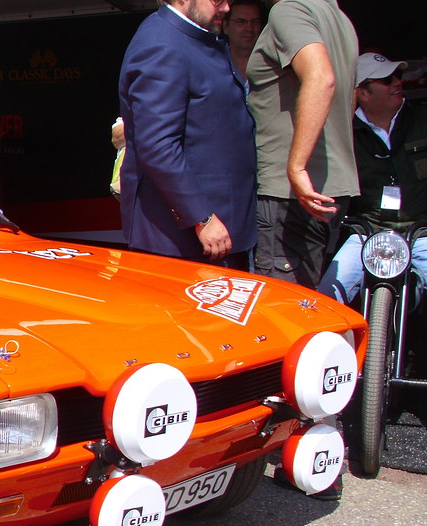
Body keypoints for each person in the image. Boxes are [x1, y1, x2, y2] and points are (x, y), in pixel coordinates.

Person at [118, 0, 256, 269]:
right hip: (183, 242)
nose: (226, 8)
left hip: (219, 233)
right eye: (217, 0)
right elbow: (157, 146)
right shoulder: (161, 44)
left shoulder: (191, 38)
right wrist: (201, 217)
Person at [247, 0, 359, 292]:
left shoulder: (289, 9)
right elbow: (349, 98)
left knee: (281, 306)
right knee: (307, 301)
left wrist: (296, 167)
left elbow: (321, 79)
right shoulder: (338, 18)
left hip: (290, 194)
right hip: (326, 186)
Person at [319, 53, 427, 305]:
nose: (397, 83)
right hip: (367, 232)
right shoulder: (344, 133)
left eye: (397, 76)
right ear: (362, 93)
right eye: (387, 80)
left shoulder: (422, 119)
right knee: (326, 299)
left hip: (421, 230)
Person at [221, 0, 265, 88]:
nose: (249, 28)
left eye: (255, 22)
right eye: (241, 22)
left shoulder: (271, 65)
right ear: (225, 26)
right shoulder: (214, 64)